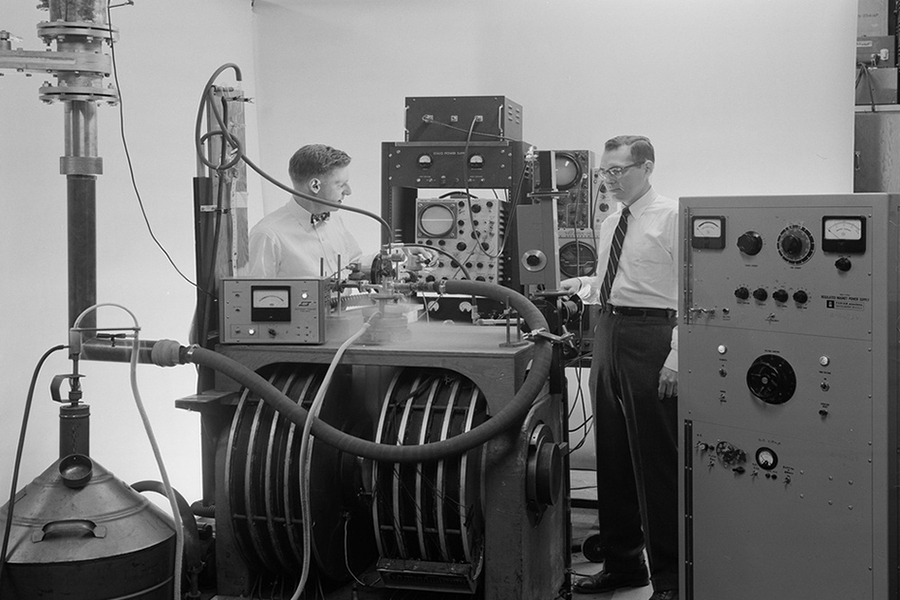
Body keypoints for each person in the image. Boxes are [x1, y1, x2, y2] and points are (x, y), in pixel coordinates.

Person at [561, 135, 679, 600]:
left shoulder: (672, 217)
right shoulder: (614, 221)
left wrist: (677, 358)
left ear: (646, 168)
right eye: (604, 172)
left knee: (656, 462)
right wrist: (586, 286)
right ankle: (623, 565)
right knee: (612, 455)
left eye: (617, 171)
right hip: (609, 331)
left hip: (654, 339)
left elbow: (696, 291)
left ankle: (670, 580)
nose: (608, 180)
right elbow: (623, 280)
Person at [247, 144, 371, 279]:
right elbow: (258, 296)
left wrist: (385, 261)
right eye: (341, 185)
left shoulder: (335, 220)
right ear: (315, 186)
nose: (348, 191)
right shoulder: (268, 235)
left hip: (346, 301)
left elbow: (354, 264)